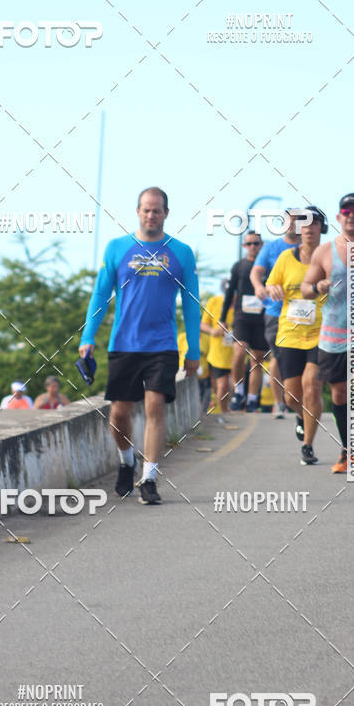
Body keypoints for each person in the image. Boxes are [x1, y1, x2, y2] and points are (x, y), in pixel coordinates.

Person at [79, 187, 200, 505]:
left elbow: (191, 304)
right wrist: (87, 337)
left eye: (157, 210)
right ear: (137, 211)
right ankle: (126, 462)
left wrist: (194, 350)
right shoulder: (117, 248)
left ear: (166, 213)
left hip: (162, 345)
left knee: (155, 406)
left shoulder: (181, 252)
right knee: (119, 413)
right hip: (124, 343)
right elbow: (100, 294)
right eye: (146, 209)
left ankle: (149, 478)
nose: (151, 215)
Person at [302, 192, 354, 473]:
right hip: (333, 334)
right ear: (338, 218)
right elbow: (305, 288)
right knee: (338, 394)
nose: (351, 216)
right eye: (346, 212)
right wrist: (317, 288)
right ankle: (348, 451)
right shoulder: (324, 252)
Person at [267, 207, 327, 464]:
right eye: (304, 223)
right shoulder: (285, 258)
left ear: (321, 229)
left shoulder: (331, 259)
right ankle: (302, 416)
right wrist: (272, 288)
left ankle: (308, 446)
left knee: (311, 386)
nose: (309, 228)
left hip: (321, 333)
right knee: (291, 397)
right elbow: (270, 282)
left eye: (315, 223)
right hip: (289, 334)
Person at [250, 211, 302, 417]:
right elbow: (256, 272)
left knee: (303, 359)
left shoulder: (311, 247)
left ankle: (299, 401)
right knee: (278, 356)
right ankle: (280, 403)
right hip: (275, 311)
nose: (291, 225)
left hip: (304, 314)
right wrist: (258, 287)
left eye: (297, 221)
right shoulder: (271, 247)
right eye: (287, 221)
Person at [221, 231, 267, 413]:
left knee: (257, 360)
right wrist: (223, 317)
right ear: (244, 246)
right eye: (249, 244)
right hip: (241, 317)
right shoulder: (239, 266)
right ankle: (238, 392)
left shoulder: (268, 266)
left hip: (262, 319)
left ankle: (253, 399)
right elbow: (229, 292)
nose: (253, 247)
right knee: (239, 353)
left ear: (261, 245)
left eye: (256, 243)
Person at [201, 281, 234, 419]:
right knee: (222, 385)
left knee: (233, 385)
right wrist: (213, 331)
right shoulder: (214, 302)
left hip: (236, 354)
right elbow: (203, 324)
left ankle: (228, 408)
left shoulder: (241, 304)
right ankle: (223, 410)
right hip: (218, 353)